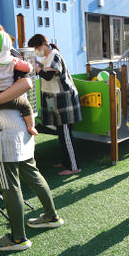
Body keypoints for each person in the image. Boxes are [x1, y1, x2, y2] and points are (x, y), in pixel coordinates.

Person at [0, 17, 63, 251]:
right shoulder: (8, 55)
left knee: (9, 185)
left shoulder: (0, 55)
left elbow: (26, 85)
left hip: (4, 128)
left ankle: (17, 238)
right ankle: (51, 216)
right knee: (31, 173)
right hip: (21, 124)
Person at [27, 34, 82, 176]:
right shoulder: (47, 57)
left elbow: (48, 75)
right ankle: (66, 162)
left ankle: (74, 166)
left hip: (64, 99)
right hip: (56, 99)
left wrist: (36, 67)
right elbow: (45, 71)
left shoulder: (54, 55)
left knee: (66, 134)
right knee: (62, 133)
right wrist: (37, 65)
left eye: (36, 48)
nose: (36, 51)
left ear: (42, 45)